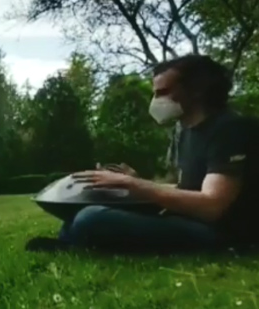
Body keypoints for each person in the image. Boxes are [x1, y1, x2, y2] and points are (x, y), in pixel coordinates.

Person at [51, 55, 259, 253]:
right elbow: (186, 188)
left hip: (222, 233)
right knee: (85, 208)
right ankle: (71, 241)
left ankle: (78, 241)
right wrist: (135, 181)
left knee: (91, 218)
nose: (156, 100)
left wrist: (133, 185)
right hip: (188, 219)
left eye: (163, 92)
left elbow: (212, 206)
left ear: (196, 90)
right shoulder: (184, 131)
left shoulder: (231, 129)